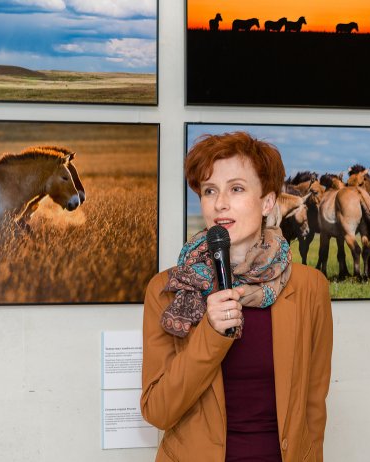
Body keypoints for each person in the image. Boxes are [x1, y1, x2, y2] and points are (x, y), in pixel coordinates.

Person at [141, 132, 333, 461]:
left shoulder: (309, 288)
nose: (220, 203)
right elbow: (158, 411)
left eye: (236, 189)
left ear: (267, 202)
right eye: (209, 190)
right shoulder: (171, 288)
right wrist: (211, 333)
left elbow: (313, 409)